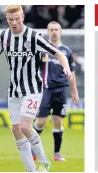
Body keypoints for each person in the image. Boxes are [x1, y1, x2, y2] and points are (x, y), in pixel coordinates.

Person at [0, 5, 73, 173]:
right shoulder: (3, 36)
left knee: (25, 126)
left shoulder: (34, 36)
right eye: (11, 20)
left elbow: (58, 53)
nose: (14, 23)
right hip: (14, 90)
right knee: (16, 129)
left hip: (32, 89)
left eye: (17, 19)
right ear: (7, 20)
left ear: (23, 17)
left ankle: (44, 163)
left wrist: (66, 67)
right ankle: (31, 170)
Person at [33, 21, 79, 163]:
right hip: (46, 89)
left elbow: (72, 73)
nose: (54, 32)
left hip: (62, 90)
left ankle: (57, 154)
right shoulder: (42, 50)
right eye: (51, 29)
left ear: (60, 32)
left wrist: (74, 92)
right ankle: (32, 149)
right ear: (48, 32)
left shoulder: (66, 51)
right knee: (40, 122)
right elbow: (34, 70)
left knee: (58, 121)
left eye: (56, 29)